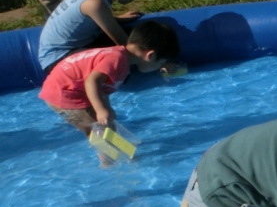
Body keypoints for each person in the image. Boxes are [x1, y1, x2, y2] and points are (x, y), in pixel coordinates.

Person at [39, 20, 178, 137]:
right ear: (150, 55)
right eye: (161, 62)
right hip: (65, 93)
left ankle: (121, 156)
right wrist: (100, 109)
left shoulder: (121, 58)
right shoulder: (116, 60)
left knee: (108, 127)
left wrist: (106, 108)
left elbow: (102, 87)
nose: (160, 66)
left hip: (71, 88)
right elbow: (92, 81)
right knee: (98, 133)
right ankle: (109, 160)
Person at [37, 0, 150, 72]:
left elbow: (86, 19)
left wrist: (115, 20)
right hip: (57, 60)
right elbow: (123, 43)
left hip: (70, 50)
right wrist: (152, 61)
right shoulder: (95, 4)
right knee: (117, 59)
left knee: (136, 39)